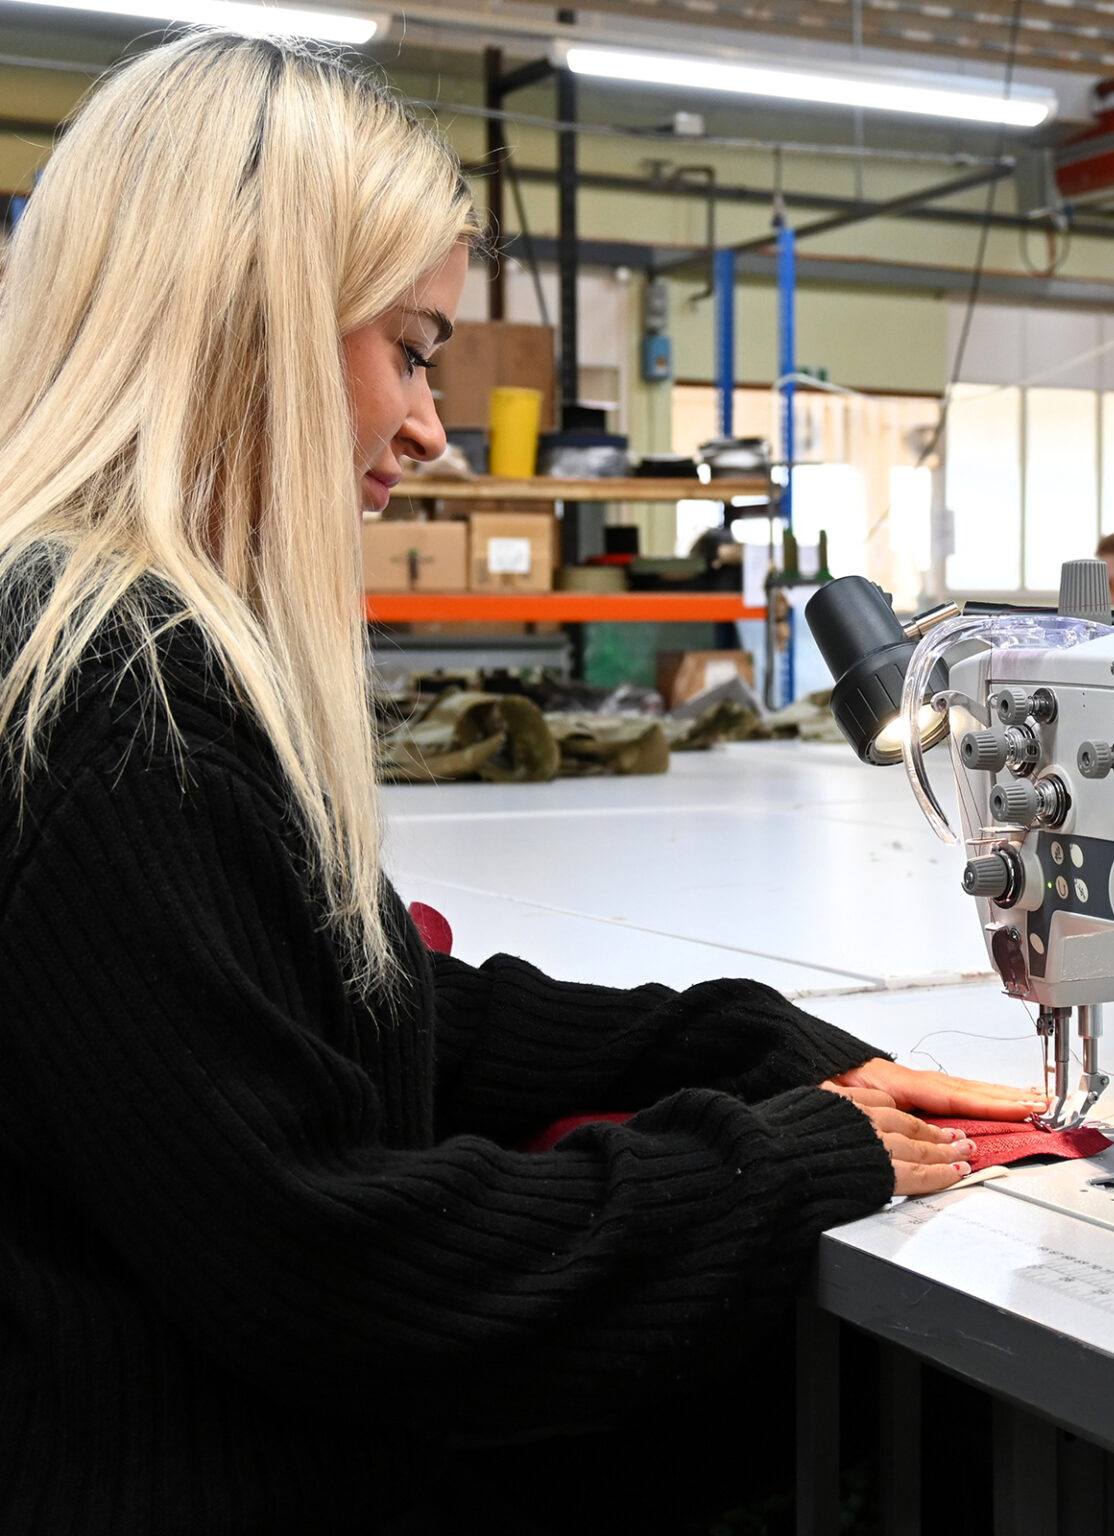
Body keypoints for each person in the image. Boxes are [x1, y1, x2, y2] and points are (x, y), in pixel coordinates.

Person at [0, 33, 1048, 1535]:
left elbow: (369, 1011)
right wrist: (786, 1161)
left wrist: (750, 1045)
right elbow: (329, 1269)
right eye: (412, 350)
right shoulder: (118, 712)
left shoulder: (115, 650)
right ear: (249, 327)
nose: (430, 426)